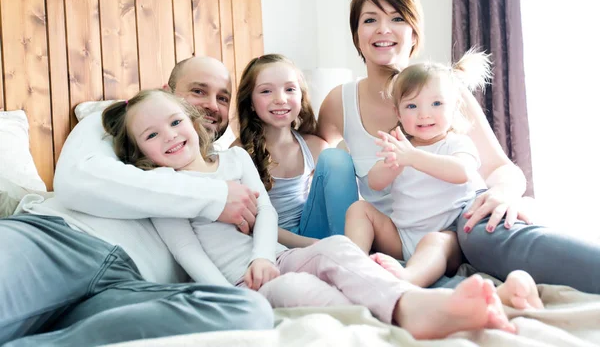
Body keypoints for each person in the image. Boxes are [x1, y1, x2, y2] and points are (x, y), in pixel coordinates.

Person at [101, 87, 543, 341]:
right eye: (152, 136)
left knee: (336, 250)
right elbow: (187, 255)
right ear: (141, 154)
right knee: (303, 289)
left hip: (271, 256)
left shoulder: (233, 162)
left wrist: (261, 256)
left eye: (175, 122)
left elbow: (267, 213)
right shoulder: (163, 190)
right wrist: (236, 294)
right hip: (242, 282)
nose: (171, 137)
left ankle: (421, 304)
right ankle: (419, 315)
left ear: (194, 120)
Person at [317, 0, 600, 294]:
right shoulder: (338, 101)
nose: (383, 29)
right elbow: (311, 151)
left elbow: (500, 168)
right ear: (357, 35)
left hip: (456, 226)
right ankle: (352, 269)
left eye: (397, 18)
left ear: (414, 33)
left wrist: (504, 193)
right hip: (397, 232)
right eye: (370, 20)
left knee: (472, 235)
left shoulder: (445, 92)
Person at [0, 57, 273, 347]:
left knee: (247, 313)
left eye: (222, 97)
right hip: (59, 240)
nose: (211, 104)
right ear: (166, 90)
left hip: (133, 286)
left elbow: (264, 222)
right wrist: (214, 197)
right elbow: (77, 179)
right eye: (198, 91)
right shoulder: (112, 120)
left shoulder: (230, 165)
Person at [345, 50, 488, 288]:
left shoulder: (455, 143)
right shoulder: (401, 147)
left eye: (437, 103)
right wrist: (394, 165)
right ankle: (353, 265)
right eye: (412, 106)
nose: (424, 114)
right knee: (360, 209)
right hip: (401, 238)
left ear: (454, 107)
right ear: (398, 113)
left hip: (447, 237)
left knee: (435, 242)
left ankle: (409, 278)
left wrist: (412, 157)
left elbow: (463, 172)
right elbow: (375, 183)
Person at [231, 54, 356, 248]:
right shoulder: (240, 153)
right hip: (272, 241)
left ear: (301, 96)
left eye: (290, 89)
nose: (280, 99)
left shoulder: (314, 146)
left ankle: (353, 248)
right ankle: (344, 250)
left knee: (336, 158)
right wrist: (315, 246)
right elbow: (251, 223)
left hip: (314, 233)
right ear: (251, 104)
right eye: (266, 91)